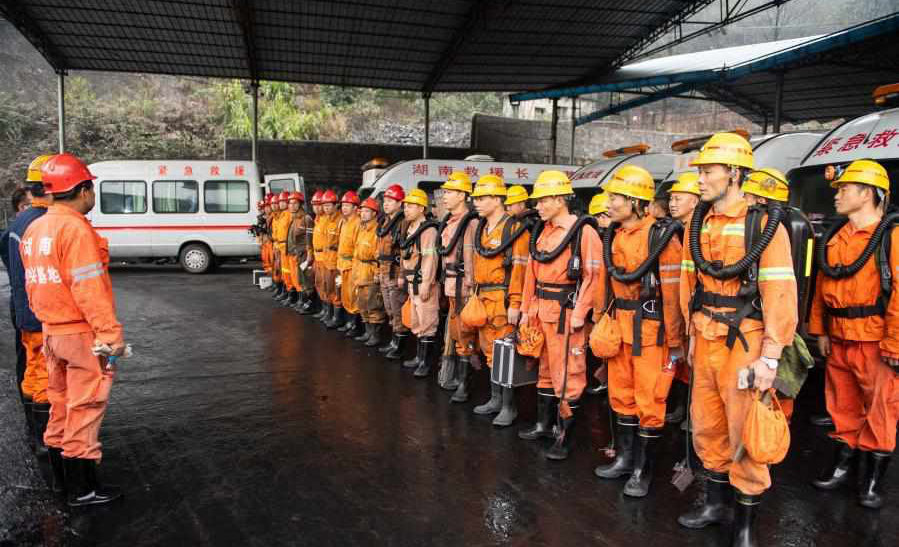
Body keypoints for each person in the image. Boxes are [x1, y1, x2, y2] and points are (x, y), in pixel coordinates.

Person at [678, 133, 797, 546]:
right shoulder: (698, 222)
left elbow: (780, 292)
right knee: (707, 427)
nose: (701, 179)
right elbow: (688, 284)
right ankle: (714, 505)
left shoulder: (764, 226)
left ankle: (744, 528)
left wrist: (771, 356)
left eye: (708, 171)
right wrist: (691, 333)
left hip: (745, 342)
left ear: (734, 173)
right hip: (706, 335)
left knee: (745, 430)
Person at [22, 153, 127, 506]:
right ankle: (83, 489)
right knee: (85, 406)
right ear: (82, 189)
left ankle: (61, 483)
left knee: (61, 405)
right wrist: (111, 337)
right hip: (80, 333)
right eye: (91, 189)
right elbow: (89, 290)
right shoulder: (76, 230)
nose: (92, 195)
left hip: (51, 331)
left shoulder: (36, 229)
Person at [808, 159, 897, 509]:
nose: (837, 195)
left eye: (845, 188)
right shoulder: (836, 235)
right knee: (842, 405)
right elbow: (820, 284)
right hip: (840, 336)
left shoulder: (892, 236)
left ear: (869, 193)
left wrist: (894, 343)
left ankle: (873, 478)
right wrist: (820, 329)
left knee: (881, 408)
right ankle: (844, 463)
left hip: (876, 340)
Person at [593, 165, 684, 498]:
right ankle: (625, 460)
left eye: (616, 197)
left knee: (650, 401)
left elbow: (673, 294)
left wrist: (675, 341)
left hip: (651, 333)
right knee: (621, 397)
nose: (610, 203)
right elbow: (606, 285)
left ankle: (642, 472)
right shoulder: (614, 235)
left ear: (635, 201)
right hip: (620, 331)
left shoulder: (661, 237)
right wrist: (600, 322)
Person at [517, 170, 602, 461]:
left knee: (567, 375)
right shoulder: (544, 230)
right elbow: (532, 273)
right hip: (542, 311)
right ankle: (543, 424)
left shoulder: (584, 232)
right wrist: (528, 309)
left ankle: (564, 436)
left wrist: (580, 313)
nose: (537, 207)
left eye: (542, 201)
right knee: (543, 371)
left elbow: (594, 276)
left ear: (558, 199)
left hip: (565, 314)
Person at [469, 175, 529, 425]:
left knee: (505, 352)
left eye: (482, 198)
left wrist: (515, 303)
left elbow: (520, 269)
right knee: (489, 351)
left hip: (502, 298)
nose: (477, 203)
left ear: (497, 199)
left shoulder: (514, 229)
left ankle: (508, 406)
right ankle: (494, 399)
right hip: (483, 296)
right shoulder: (482, 228)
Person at [3, 157, 49, 456]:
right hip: (41, 313)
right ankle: (47, 439)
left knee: (30, 370)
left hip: (23, 308)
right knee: (44, 377)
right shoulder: (42, 224)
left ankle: (38, 433)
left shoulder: (17, 224)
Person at [663, 171, 701, 424]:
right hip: (677, 303)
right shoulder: (674, 231)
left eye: (679, 198)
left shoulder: (699, 230)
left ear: (695, 201)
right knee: (679, 358)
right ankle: (681, 405)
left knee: (696, 361)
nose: (672, 203)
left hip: (697, 306)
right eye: (671, 198)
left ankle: (692, 412)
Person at [437, 172, 478, 395]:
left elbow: (471, 257)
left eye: (449, 192)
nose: (445, 196)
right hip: (451, 286)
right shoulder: (450, 222)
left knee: (465, 335)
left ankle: (463, 384)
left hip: (464, 287)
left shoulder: (469, 223)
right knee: (454, 332)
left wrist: (472, 289)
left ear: (462, 195)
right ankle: (451, 376)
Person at [399, 189, 440, 377]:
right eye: (405, 205)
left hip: (423, 283)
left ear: (422, 208)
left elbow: (430, 259)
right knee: (416, 322)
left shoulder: (428, 230)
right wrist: (402, 275)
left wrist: (426, 283)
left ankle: (425, 362)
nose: (406, 209)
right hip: (411, 282)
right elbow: (405, 255)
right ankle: (418, 357)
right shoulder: (409, 228)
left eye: (410, 206)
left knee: (427, 323)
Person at [377, 184, 412, 360]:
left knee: (397, 310)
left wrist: (401, 276)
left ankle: (400, 346)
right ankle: (393, 341)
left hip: (395, 272)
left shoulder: (402, 223)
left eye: (391, 201)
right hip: (384, 271)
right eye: (385, 200)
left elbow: (404, 252)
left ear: (400, 203)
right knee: (389, 309)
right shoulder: (384, 221)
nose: (387, 204)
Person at [585, 192, 611, 396]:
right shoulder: (597, 236)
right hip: (599, 298)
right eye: (599, 216)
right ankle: (604, 379)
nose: (601, 220)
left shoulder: (613, 235)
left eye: (603, 215)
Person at [351, 198, 387, 347]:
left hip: (370, 273)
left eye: (367, 211)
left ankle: (376, 335)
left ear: (374, 214)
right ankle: (368, 332)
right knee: (362, 304)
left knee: (373, 305)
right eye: (363, 211)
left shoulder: (377, 231)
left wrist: (378, 273)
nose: (364, 214)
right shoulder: (361, 229)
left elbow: (379, 255)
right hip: (360, 272)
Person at [336, 191, 363, 336]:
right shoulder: (344, 222)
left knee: (354, 296)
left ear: (355, 207)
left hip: (352, 264)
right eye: (343, 205)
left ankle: (355, 325)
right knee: (345, 295)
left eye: (348, 205)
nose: (344, 208)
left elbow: (357, 247)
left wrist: (355, 265)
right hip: (342, 264)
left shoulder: (357, 223)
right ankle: (349, 322)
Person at [286, 192, 314, 312]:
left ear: (300, 204)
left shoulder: (306, 218)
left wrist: (309, 255)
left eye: (295, 203)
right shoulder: (294, 219)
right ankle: (304, 301)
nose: (292, 206)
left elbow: (309, 238)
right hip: (297, 254)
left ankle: (311, 304)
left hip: (304, 255)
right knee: (301, 279)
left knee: (307, 280)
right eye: (290, 203)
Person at [299, 190, 325, 315]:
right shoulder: (316, 220)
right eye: (314, 205)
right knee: (316, 282)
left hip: (325, 257)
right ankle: (319, 307)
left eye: (319, 204)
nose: (316, 208)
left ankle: (319, 307)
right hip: (315, 255)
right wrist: (310, 253)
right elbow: (311, 240)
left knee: (325, 285)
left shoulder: (314, 219)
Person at [271, 192, 292, 301]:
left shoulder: (289, 215)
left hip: (286, 246)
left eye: (283, 201)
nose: (280, 204)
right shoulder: (280, 216)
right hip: (279, 245)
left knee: (288, 271)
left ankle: (290, 294)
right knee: (283, 270)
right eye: (280, 202)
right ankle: (285, 291)